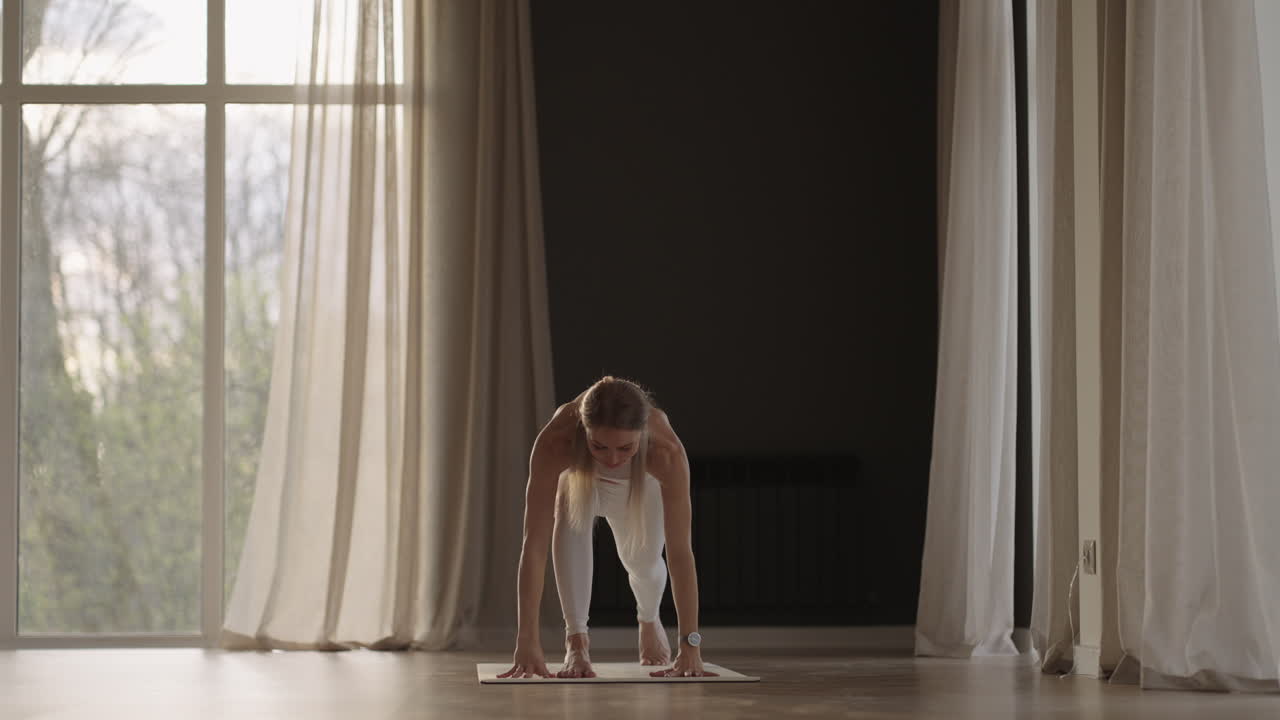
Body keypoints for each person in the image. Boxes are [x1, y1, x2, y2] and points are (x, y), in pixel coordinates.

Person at [499, 376, 717, 679]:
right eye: (598, 446)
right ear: (583, 431)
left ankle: (649, 617)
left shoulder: (665, 452)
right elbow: (534, 547)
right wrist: (526, 641)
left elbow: (681, 553)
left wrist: (690, 645)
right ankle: (576, 643)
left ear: (642, 435)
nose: (612, 460)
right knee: (570, 522)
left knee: (643, 562)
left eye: (625, 448)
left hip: (641, 488)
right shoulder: (557, 441)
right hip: (582, 483)